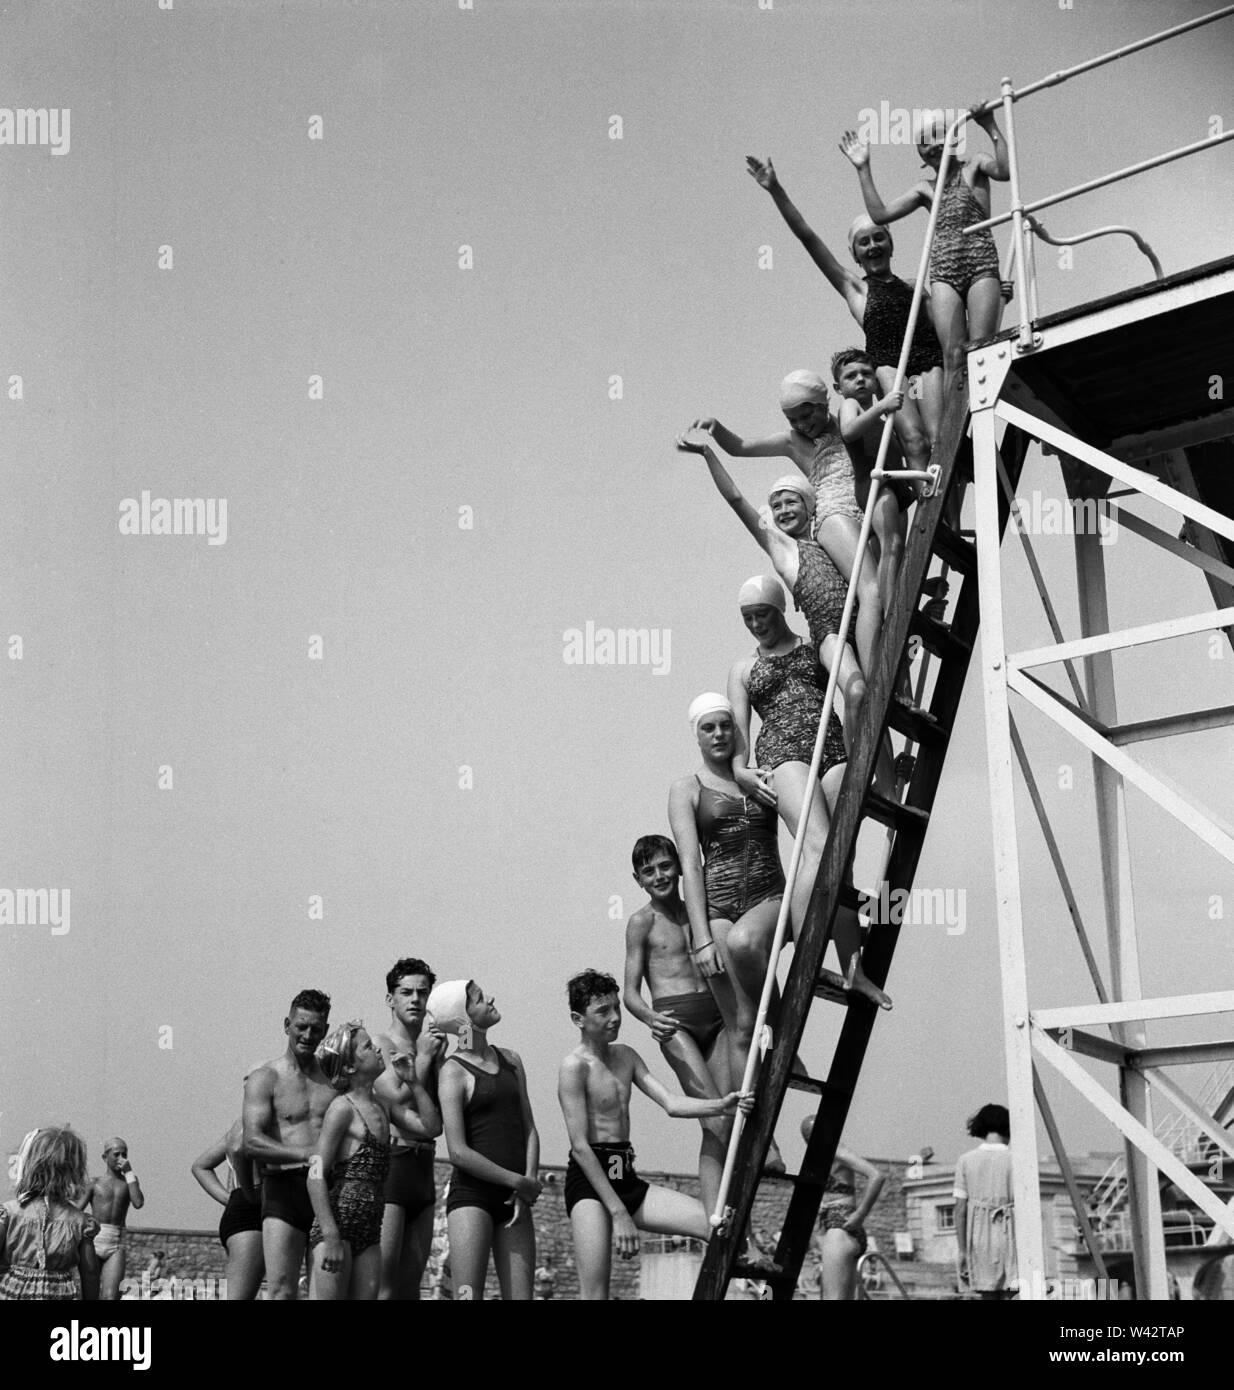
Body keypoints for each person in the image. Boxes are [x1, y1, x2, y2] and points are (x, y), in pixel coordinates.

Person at [677, 435, 893, 791]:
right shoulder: (784, 549)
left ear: (810, 506)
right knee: (855, 693)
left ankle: (887, 783)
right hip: (830, 634)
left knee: (875, 696)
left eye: (790, 502)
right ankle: (859, 773)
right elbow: (736, 499)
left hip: (865, 625)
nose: (782, 511)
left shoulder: (833, 536)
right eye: (776, 506)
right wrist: (707, 453)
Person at [728, 575, 890, 1008]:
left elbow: (855, 681)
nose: (757, 624)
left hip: (832, 746)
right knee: (815, 845)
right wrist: (741, 772)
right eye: (748, 618)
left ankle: (854, 970)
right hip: (783, 755)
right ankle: (807, 956)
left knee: (841, 863)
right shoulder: (743, 669)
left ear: (781, 610)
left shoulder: (814, 645)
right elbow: (740, 740)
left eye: (763, 614)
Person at [558, 969, 751, 1300]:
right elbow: (579, 1147)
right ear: (578, 1019)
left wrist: (721, 1104)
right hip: (590, 1183)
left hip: (626, 1176)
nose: (615, 1018)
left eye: (616, 1007)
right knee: (595, 1294)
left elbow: (672, 1104)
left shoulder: (626, 1056)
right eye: (602, 1011)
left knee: (713, 1227)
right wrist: (619, 1214)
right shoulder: (574, 1067)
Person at [746, 155, 943, 471]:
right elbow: (808, 237)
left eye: (880, 238)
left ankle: (948, 513)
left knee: (940, 440)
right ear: (855, 254)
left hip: (929, 362)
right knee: (916, 441)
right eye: (864, 242)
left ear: (891, 245)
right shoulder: (855, 288)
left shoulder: (915, 286)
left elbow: (946, 325)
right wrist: (775, 189)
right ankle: (928, 511)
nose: (873, 246)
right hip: (889, 365)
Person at [689, 371, 885, 683]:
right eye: (793, 420)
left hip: (867, 506)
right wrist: (716, 431)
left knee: (881, 594)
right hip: (838, 512)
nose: (802, 426)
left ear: (824, 403)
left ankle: (889, 677)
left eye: (807, 415)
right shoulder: (794, 443)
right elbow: (740, 447)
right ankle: (878, 678)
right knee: (871, 590)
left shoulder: (847, 423)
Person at [840, 105, 1009, 386]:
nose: (931, 145)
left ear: (953, 138)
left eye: (937, 136)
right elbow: (880, 214)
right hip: (944, 271)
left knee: (981, 349)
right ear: (920, 154)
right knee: (953, 356)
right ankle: (953, 427)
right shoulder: (925, 189)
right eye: (923, 142)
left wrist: (989, 125)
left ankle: (979, 415)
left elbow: (1004, 171)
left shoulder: (975, 164)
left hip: (980, 263)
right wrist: (863, 168)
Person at [622, 832, 732, 1215]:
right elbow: (630, 992)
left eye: (666, 866)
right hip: (676, 1023)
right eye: (649, 871)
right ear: (639, 879)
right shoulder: (641, 922)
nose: (659, 876)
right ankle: (716, 1217)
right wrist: (651, 1018)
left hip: (717, 1018)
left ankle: (724, 1211)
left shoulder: (700, 911)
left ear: (681, 867)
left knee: (729, 1118)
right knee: (713, 1119)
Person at [307, 1020, 436, 1301]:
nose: (378, 1049)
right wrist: (330, 1236)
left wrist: (414, 1083)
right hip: (337, 1226)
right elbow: (315, 1173)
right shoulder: (341, 1109)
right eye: (368, 1046)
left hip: (370, 1230)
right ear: (350, 1067)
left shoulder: (384, 1106)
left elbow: (430, 1127)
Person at [431, 978, 541, 1301]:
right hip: (472, 1199)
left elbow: (530, 1128)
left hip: (516, 1201)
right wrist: (517, 1180)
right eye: (479, 998)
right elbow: (458, 1152)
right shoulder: (452, 1072)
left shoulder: (511, 1060)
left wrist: (529, 1182)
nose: (490, 998)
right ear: (464, 1019)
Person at [242, 987, 335, 1299]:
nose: (308, 1035)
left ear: (326, 1031)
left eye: (316, 1029)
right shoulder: (265, 1078)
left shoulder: (333, 1081)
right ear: (287, 1025)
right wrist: (306, 1153)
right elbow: (252, 1142)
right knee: (282, 1290)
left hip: (327, 1189)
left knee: (324, 1291)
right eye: (301, 1027)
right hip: (284, 1188)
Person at [372, 956, 446, 1300]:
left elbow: (442, 1115)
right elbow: (393, 1095)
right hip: (394, 1164)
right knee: (382, 1286)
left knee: (410, 1287)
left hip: (425, 1166)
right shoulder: (382, 1046)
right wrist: (425, 1057)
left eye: (422, 993)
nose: (416, 999)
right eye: (407, 992)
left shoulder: (436, 1045)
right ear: (391, 999)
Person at [0, 1126, 100, 1300]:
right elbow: (90, 1273)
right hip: (59, 1294)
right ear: (74, 1171)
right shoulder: (79, 1221)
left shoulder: (10, 1213)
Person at [800, 1116, 884, 1300]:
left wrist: (861, 1213)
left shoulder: (836, 1151)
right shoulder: (823, 1156)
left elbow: (877, 1176)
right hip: (840, 1227)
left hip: (840, 1227)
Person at [191, 1116, 264, 1300]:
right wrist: (236, 1196)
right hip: (251, 1211)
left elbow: (201, 1166)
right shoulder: (248, 1124)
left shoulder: (242, 1123)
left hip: (249, 1207)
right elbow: (201, 1167)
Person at [954, 1102, 1017, 1300]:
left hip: (980, 1235)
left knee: (987, 1295)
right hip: (1012, 1233)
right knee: (1014, 1293)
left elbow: (960, 1210)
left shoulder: (965, 1160)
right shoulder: (1017, 1158)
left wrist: (963, 1250)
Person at [86, 1137, 144, 1300]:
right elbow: (77, 1209)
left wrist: (129, 1172)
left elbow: (138, 1202)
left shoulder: (129, 1181)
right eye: (116, 1154)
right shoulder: (94, 1182)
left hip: (116, 1241)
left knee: (111, 1296)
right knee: (89, 1294)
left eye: (124, 1155)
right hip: (94, 1239)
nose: (121, 1159)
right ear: (105, 1157)